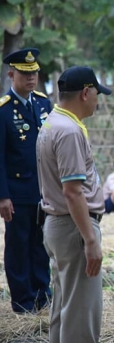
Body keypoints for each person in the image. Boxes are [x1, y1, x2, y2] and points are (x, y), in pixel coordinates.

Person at [37, 66, 111, 343]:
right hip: (74, 227)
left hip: (59, 224)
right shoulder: (68, 132)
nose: (97, 100)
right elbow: (72, 192)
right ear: (85, 92)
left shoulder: (53, 122)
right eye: (96, 93)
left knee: (65, 309)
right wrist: (90, 239)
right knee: (81, 316)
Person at [0, 48, 52, 313]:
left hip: (43, 190)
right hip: (18, 191)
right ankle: (23, 301)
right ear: (11, 74)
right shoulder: (3, 110)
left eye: (34, 73)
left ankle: (43, 294)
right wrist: (3, 196)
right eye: (25, 73)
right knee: (18, 247)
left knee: (42, 244)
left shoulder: (44, 104)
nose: (31, 78)